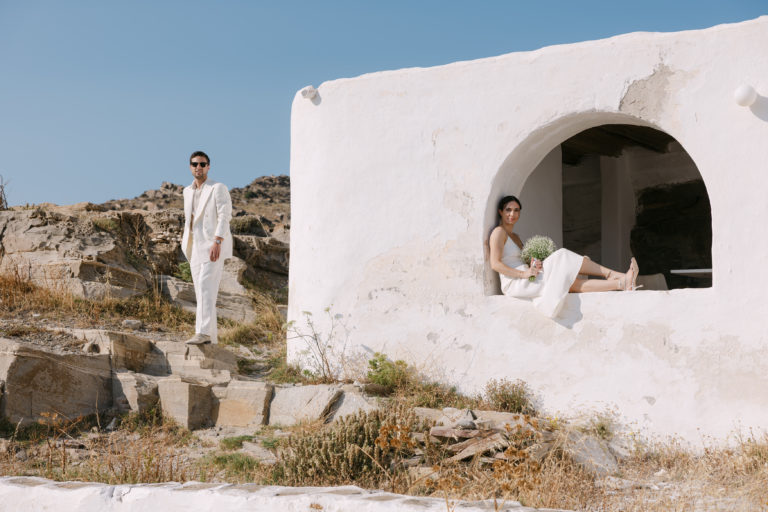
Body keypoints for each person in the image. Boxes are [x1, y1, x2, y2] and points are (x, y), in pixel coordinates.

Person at [489, 195, 638, 318]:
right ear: (500, 211)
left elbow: (522, 260)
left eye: (516, 210)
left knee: (569, 282)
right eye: (508, 210)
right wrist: (524, 273)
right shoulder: (498, 232)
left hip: (528, 276)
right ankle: (614, 275)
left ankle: (622, 283)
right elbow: (495, 264)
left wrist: (533, 263)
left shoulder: (515, 236)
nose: (512, 214)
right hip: (515, 283)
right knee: (562, 255)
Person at [181, 151, 233, 345]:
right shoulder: (187, 191)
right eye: (195, 164)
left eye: (202, 164)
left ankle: (202, 333)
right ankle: (210, 338)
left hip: (213, 245)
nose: (198, 167)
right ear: (190, 167)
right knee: (202, 290)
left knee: (205, 286)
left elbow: (224, 215)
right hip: (195, 246)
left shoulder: (217, 188)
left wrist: (218, 241)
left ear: (208, 167)